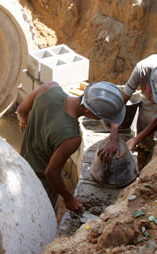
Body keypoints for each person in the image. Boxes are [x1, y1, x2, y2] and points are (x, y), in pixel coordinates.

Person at [16, 80, 125, 213]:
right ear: (89, 112)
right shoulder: (71, 138)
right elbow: (51, 173)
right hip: (41, 184)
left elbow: (21, 110)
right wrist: (69, 198)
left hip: (22, 168)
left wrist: (24, 122)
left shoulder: (50, 87)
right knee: (41, 219)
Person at [97, 54, 157, 170]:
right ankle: (142, 161)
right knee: (144, 125)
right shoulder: (142, 69)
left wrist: (135, 140)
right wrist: (114, 138)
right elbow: (121, 102)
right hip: (150, 97)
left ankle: (154, 169)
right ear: (150, 84)